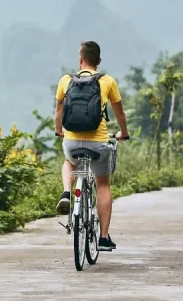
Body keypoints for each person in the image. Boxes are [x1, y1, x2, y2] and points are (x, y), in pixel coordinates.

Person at [54, 40, 129, 251]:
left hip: (72, 142)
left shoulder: (65, 80)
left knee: (69, 162)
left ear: (80, 59)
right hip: (98, 144)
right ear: (99, 61)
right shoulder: (107, 81)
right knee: (103, 184)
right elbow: (120, 114)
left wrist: (59, 130)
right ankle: (104, 237)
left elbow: (59, 112)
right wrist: (123, 133)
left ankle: (67, 193)